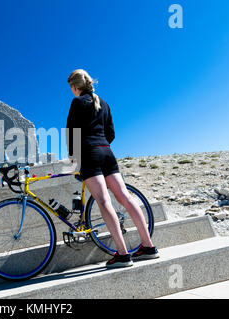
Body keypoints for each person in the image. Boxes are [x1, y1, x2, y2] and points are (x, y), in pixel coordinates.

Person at [66, 69, 159, 268]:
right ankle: (148, 246)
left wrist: (74, 157)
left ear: (75, 87)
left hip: (89, 153)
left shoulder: (77, 102)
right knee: (124, 197)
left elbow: (71, 133)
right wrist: (101, 144)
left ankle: (123, 254)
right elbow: (111, 133)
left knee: (103, 200)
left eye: (71, 87)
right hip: (107, 152)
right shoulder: (104, 104)